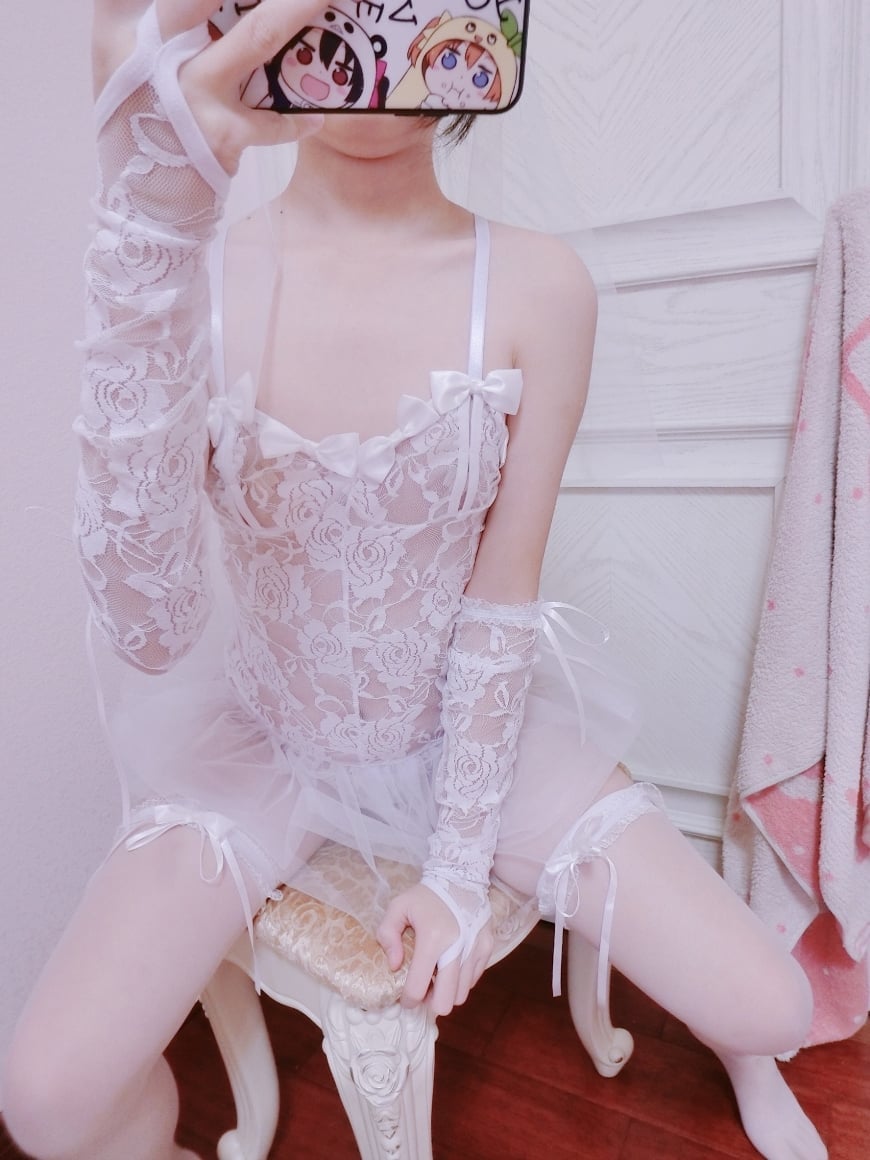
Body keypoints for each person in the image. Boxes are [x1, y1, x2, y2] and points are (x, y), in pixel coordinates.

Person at [2, 3, 827, 1158]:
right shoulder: (196, 266)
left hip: (466, 725)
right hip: (266, 735)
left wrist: (454, 870)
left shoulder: (541, 285)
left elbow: (503, 594)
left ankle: (742, 1052)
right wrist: (150, 221)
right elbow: (148, 625)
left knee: (774, 1007)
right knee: (45, 1103)